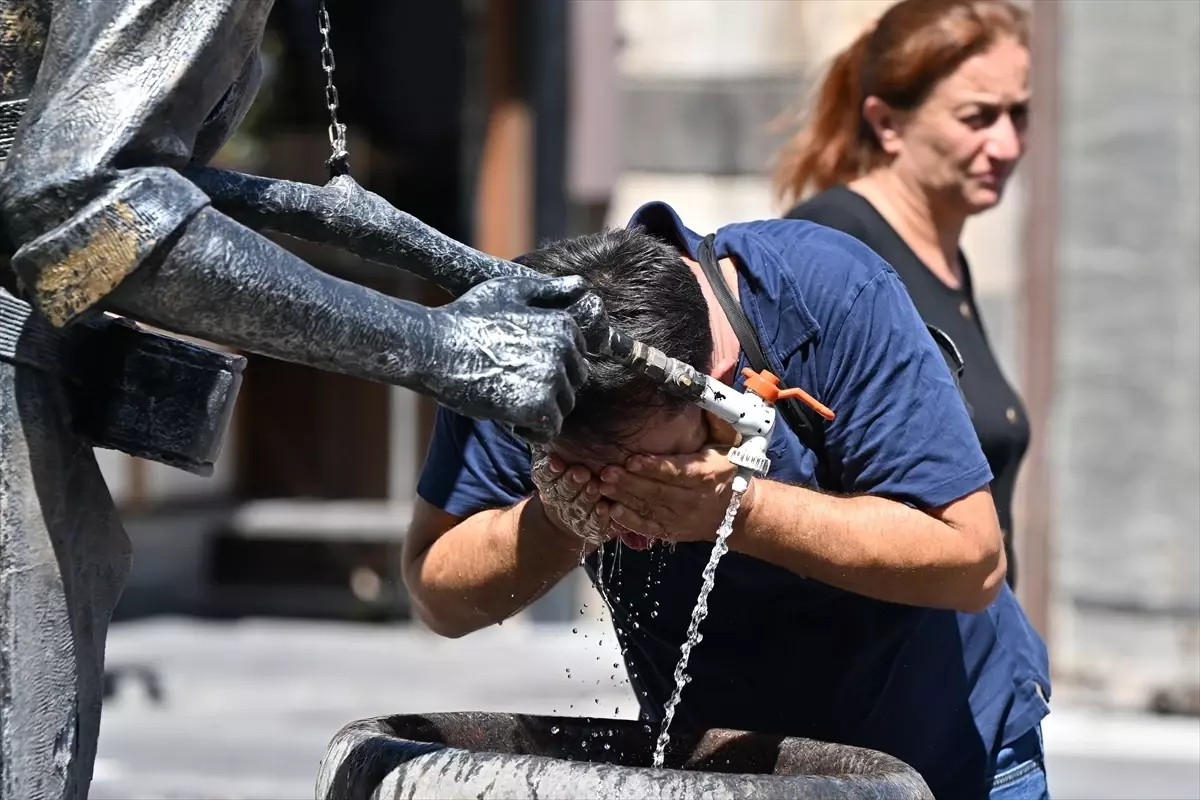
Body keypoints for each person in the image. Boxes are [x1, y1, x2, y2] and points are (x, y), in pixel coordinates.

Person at [405, 202, 1053, 799]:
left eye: (648, 474)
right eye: (585, 476)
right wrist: (559, 521)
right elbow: (437, 591)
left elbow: (973, 561)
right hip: (729, 776)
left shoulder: (830, 297)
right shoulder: (523, 349)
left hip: (946, 758)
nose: (627, 517)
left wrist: (738, 510)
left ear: (718, 395)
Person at [776, 0, 1032, 589]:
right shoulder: (832, 245)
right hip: (878, 664)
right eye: (978, 118)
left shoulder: (945, 251)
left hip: (977, 659)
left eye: (1019, 115)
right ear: (888, 123)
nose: (1008, 145)